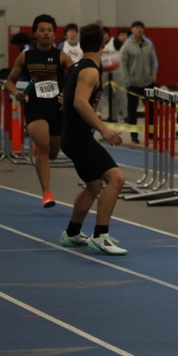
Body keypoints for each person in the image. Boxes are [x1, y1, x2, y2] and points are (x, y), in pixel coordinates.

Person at [58, 23, 127, 255]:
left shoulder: (76, 67)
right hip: (78, 138)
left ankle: (71, 233)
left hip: (72, 136)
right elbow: (80, 103)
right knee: (116, 178)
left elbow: (69, 98)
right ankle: (100, 235)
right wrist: (104, 129)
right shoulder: (90, 71)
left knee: (94, 185)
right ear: (103, 44)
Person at [5, 14, 75, 208]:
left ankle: (42, 147)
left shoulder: (61, 56)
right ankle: (46, 194)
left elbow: (77, 76)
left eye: (49, 31)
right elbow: (9, 81)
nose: (46, 34)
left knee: (52, 153)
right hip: (35, 107)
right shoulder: (25, 56)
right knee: (43, 146)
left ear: (54, 35)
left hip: (57, 108)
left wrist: (68, 94)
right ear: (35, 33)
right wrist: (15, 92)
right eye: (42, 30)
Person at [120, 21, 157, 144]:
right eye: (136, 28)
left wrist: (152, 77)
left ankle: (151, 134)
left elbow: (153, 62)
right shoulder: (127, 46)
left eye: (141, 28)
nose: (139, 30)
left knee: (151, 110)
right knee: (132, 111)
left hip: (148, 83)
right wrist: (127, 81)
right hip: (133, 84)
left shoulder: (148, 45)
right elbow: (123, 65)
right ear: (132, 29)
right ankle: (134, 135)